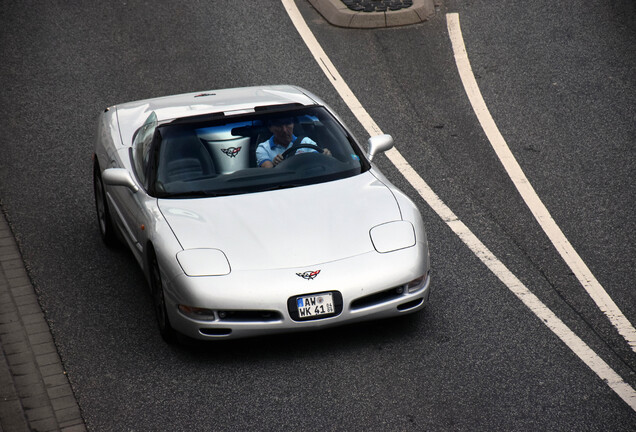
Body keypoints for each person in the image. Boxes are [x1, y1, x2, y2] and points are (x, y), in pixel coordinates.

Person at [256, 117, 330, 168]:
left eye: (288, 124)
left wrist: (325, 156)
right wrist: (274, 164)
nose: (284, 130)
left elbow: (317, 161)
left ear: (293, 124)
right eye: (279, 125)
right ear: (270, 128)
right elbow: (268, 170)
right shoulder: (263, 148)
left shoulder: (306, 142)